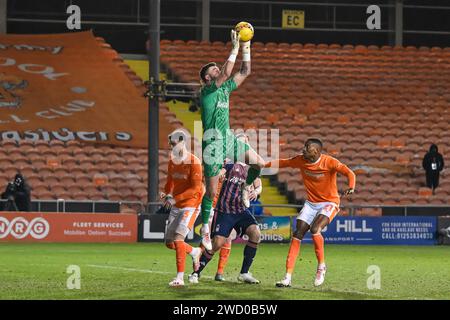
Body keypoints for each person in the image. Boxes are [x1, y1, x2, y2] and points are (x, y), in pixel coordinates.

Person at [198, 29, 266, 251]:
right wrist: (234, 48)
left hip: (228, 136)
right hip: (213, 142)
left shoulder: (225, 89)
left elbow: (245, 70)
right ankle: (205, 228)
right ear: (207, 78)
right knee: (211, 192)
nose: (217, 69)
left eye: (217, 67)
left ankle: (246, 188)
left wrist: (246, 46)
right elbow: (226, 73)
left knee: (259, 163)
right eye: (213, 69)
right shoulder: (207, 91)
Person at [265, 138, 356, 287]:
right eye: (304, 146)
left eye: (308, 147)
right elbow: (283, 162)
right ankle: (287, 277)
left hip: (330, 202)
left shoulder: (329, 162)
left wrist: (351, 186)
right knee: (298, 233)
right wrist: (263, 165)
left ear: (317, 151)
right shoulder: (300, 160)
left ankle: (321, 266)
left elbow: (349, 173)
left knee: (315, 229)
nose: (304, 149)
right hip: (311, 203)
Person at [189, 160, 262, 285]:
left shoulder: (252, 168)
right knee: (217, 243)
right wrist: (219, 174)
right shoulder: (230, 164)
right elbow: (220, 172)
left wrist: (256, 191)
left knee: (255, 233)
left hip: (241, 210)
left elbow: (259, 185)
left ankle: (244, 273)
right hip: (224, 211)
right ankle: (196, 272)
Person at [162, 129, 205, 287]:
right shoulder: (172, 161)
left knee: (179, 238)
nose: (170, 147)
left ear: (182, 142)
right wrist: (167, 194)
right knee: (169, 243)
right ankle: (195, 252)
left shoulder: (194, 162)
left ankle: (179, 278)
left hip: (191, 205)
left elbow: (195, 189)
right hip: (176, 206)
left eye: (173, 144)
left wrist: (176, 198)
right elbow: (169, 183)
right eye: (169, 144)